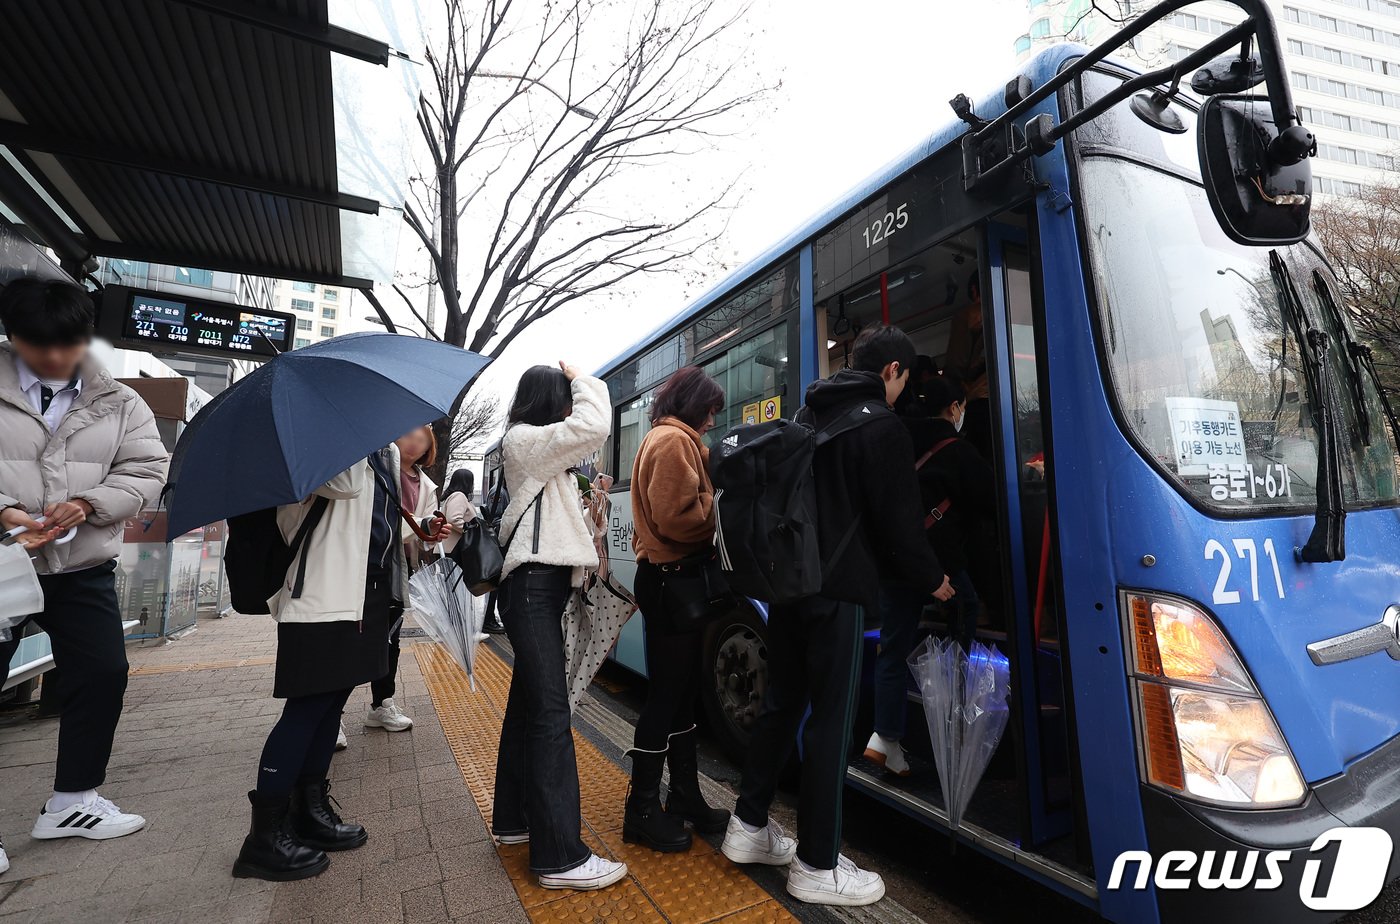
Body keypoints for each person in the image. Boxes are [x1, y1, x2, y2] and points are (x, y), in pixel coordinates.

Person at [721, 325, 954, 908]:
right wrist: (935, 580)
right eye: (904, 380)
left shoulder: (806, 414)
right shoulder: (883, 426)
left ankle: (747, 826)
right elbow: (900, 526)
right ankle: (817, 864)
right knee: (832, 722)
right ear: (894, 372)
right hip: (839, 594)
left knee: (781, 705)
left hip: (789, 589)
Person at [0, 279, 169, 873]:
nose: (52, 357)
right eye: (35, 343)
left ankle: (73, 802)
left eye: (66, 343)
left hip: (81, 565)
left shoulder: (121, 400)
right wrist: (4, 511)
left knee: (102, 674)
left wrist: (92, 502)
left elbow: (148, 467)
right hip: (2, 562)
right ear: (12, 335)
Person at [235, 445, 448, 880]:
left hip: (359, 596)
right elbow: (347, 487)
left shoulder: (377, 451)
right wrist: (364, 441)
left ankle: (308, 812)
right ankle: (263, 838)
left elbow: (375, 521)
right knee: (306, 711)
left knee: (330, 709)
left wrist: (419, 526)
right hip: (317, 597)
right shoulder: (320, 440)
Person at [491, 361, 627, 891]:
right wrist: (584, 380)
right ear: (553, 400)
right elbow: (595, 426)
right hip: (530, 588)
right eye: (566, 398)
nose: (572, 407)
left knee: (528, 710)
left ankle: (514, 821)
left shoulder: (541, 455)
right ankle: (560, 857)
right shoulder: (525, 440)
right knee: (550, 716)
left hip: (538, 589)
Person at [866, 374, 996, 775]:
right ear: (955, 409)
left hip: (892, 561)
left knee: (892, 649)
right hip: (937, 563)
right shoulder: (959, 451)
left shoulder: (896, 437)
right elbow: (990, 499)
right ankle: (958, 703)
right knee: (966, 606)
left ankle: (885, 737)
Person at [625, 366, 729, 853]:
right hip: (673, 580)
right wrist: (720, 506)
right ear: (693, 405)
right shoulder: (672, 442)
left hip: (672, 581)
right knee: (667, 695)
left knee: (682, 694)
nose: (712, 420)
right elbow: (675, 518)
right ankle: (641, 809)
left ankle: (684, 796)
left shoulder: (671, 438)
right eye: (710, 410)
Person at [361, 425, 439, 735]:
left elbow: (426, 534)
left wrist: (432, 529)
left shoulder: (427, 485)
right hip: (370, 563)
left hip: (400, 570)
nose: (414, 443)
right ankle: (332, 713)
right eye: (408, 435)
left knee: (390, 641)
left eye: (422, 441)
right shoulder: (376, 467)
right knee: (355, 638)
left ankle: (382, 704)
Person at [944, 272, 993, 459]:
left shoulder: (968, 316)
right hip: (1018, 395)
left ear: (973, 289)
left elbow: (956, 363)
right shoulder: (1015, 309)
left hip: (980, 399)